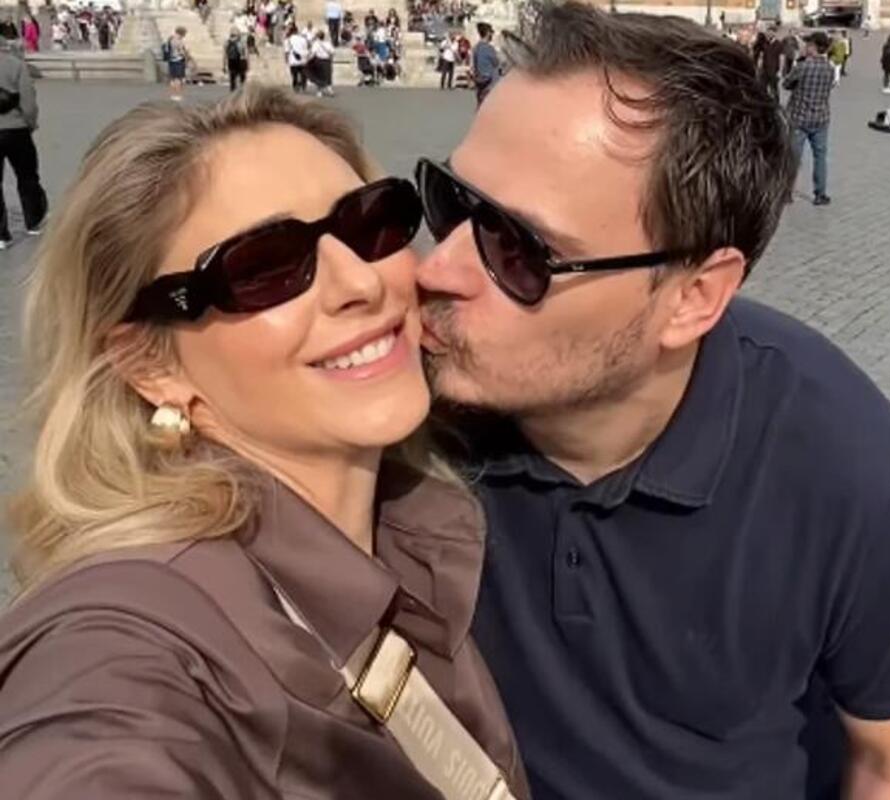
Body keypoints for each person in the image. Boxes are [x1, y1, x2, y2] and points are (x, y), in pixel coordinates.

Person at [414, 6, 890, 796]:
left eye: (519, 249)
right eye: (451, 202)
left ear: (693, 297)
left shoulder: (841, 462)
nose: (436, 270)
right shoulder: (404, 398)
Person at [0, 85, 530, 800]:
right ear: (151, 365)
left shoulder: (419, 518)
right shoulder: (129, 640)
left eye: (371, 223)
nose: (360, 283)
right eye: (264, 267)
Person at [0, 38, 46, 249]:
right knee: (27, 176)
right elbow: (28, 100)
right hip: (17, 129)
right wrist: (31, 123)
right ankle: (33, 222)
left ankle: (2, 235)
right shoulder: (16, 65)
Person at [784, 31, 835, 205]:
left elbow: (786, 83)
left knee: (794, 157)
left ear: (813, 47)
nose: (805, 47)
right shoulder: (830, 68)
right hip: (821, 118)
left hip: (799, 118)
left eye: (807, 44)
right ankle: (820, 193)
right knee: (820, 157)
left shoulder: (803, 66)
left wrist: (799, 63)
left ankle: (787, 192)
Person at [752, 24, 784, 102]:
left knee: (774, 89)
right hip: (764, 69)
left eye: (771, 32)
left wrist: (780, 71)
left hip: (774, 70)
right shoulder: (764, 43)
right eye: (768, 32)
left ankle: (776, 103)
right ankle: (763, 102)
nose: (769, 33)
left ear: (774, 33)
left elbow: (781, 58)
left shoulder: (779, 44)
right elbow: (760, 55)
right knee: (762, 88)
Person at [473, 22, 500, 107]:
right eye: (491, 32)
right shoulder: (489, 48)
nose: (492, 35)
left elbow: (474, 66)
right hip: (490, 83)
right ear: (488, 33)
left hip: (480, 82)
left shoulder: (476, 48)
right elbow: (496, 63)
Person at [165, 26, 190, 102]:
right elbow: (182, 52)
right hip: (178, 60)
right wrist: (187, 56)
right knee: (178, 79)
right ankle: (178, 95)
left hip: (171, 60)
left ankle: (172, 95)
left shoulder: (170, 39)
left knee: (172, 79)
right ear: (182, 33)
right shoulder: (179, 41)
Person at [309, 28, 335, 96]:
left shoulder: (316, 44)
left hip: (319, 61)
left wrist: (309, 59)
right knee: (328, 76)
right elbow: (332, 52)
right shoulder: (328, 43)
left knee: (319, 76)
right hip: (327, 61)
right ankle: (330, 89)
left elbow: (313, 53)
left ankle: (319, 91)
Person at [285, 23, 309, 92]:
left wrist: (286, 59)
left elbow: (287, 51)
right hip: (303, 59)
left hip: (293, 59)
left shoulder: (288, 40)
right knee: (303, 73)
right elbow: (306, 48)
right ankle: (303, 85)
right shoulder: (303, 39)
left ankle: (295, 86)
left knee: (294, 74)